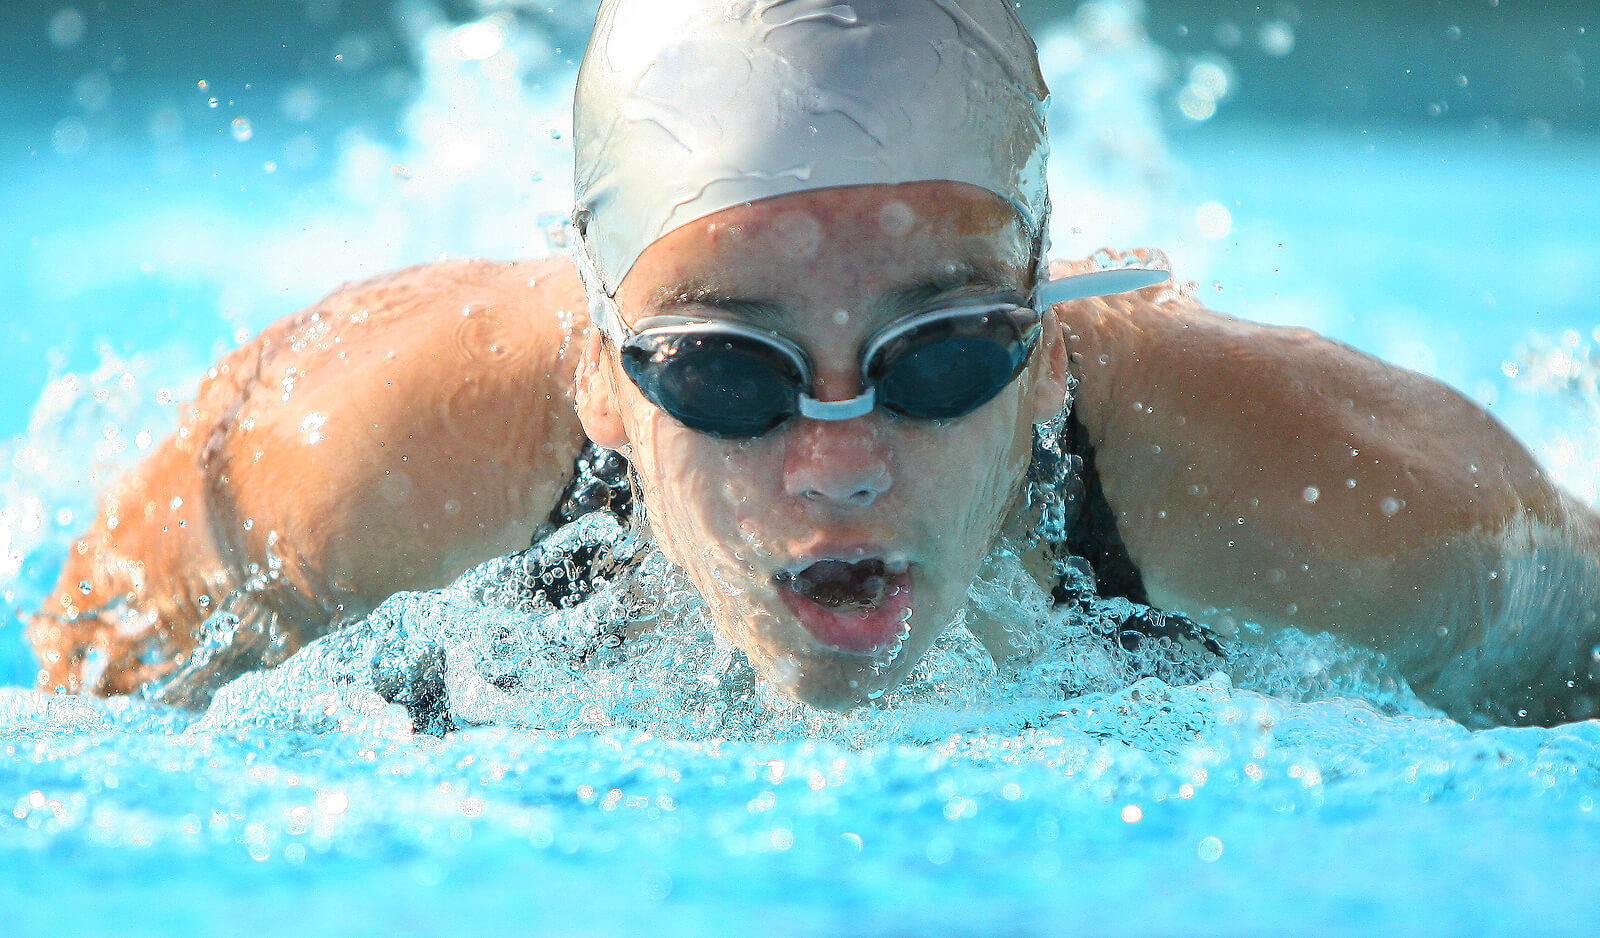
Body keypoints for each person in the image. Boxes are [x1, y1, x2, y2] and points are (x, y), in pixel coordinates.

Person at [26, 0, 1600, 726]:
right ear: (599, 373)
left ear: (1047, 358)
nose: (838, 460)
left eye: (939, 359)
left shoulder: (1347, 505)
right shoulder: (379, 457)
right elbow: (85, 662)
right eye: (725, 372)